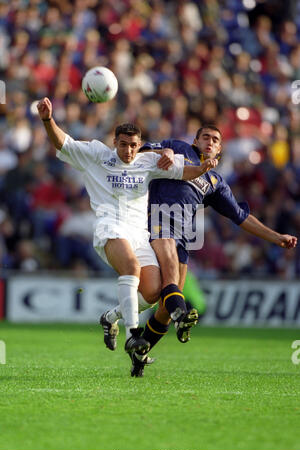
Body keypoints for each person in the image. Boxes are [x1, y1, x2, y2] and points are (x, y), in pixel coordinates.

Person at [36, 97, 218, 369]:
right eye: (124, 144)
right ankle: (134, 336)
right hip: (110, 227)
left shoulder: (147, 161)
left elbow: (182, 172)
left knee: (153, 292)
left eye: (134, 145)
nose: (129, 151)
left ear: (139, 144)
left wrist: (202, 169)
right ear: (115, 143)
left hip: (139, 233)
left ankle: (111, 317)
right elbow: (63, 142)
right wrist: (48, 120)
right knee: (131, 267)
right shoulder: (97, 155)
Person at [126, 124, 297, 376]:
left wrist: (276, 237)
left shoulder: (214, 182)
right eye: (205, 136)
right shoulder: (180, 148)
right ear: (196, 140)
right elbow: (140, 150)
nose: (209, 141)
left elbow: (240, 216)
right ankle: (181, 315)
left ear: (219, 148)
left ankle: (140, 351)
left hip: (183, 235)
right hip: (157, 221)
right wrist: (166, 151)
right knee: (171, 279)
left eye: (215, 139)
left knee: (165, 306)